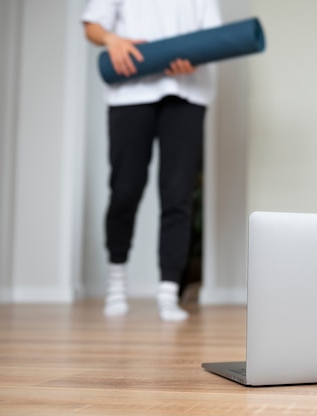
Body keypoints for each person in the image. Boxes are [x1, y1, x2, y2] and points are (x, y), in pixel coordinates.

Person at [81, 0, 221, 321]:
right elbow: (92, 25)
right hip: (130, 90)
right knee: (125, 189)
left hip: (186, 94)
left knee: (178, 194)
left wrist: (196, 59)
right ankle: (116, 284)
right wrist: (112, 41)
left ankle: (168, 292)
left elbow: (213, 39)